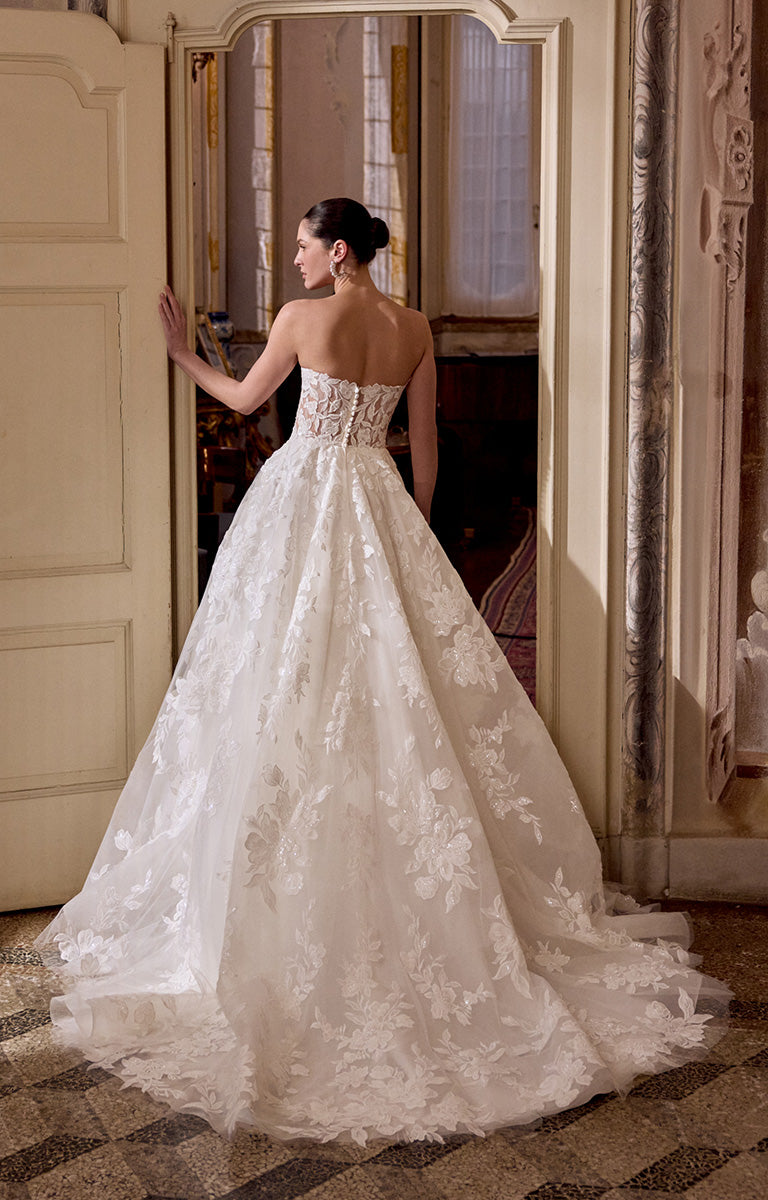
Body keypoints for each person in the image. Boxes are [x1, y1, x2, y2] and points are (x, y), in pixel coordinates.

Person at [36, 198, 729, 1146]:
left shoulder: (299, 316)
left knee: (283, 679)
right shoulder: (413, 327)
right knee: (391, 686)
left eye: (304, 243)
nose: (294, 254)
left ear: (342, 252)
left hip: (301, 500)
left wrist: (181, 357)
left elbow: (242, 402)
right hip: (377, 499)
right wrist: (413, 529)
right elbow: (429, 444)